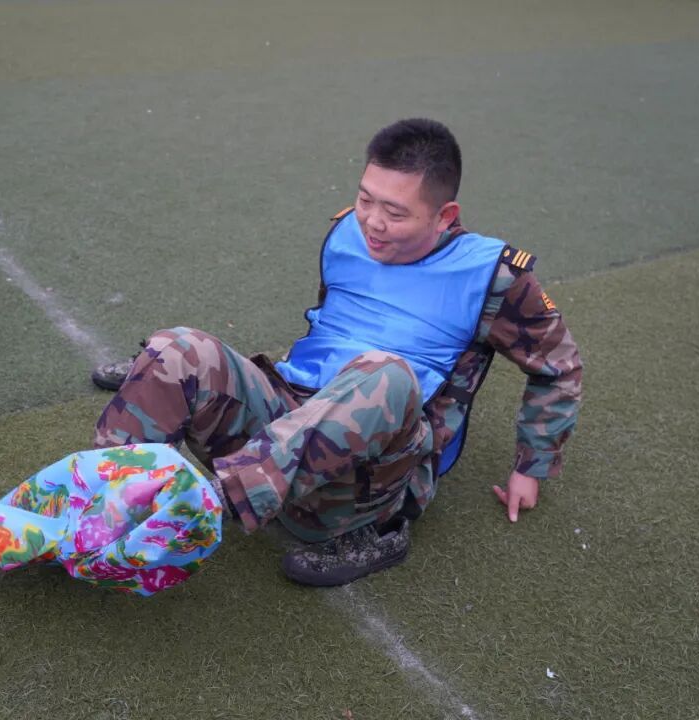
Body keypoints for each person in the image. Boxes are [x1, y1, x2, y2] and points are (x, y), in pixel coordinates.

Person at [93, 118, 583, 586]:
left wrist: (532, 466)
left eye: (395, 213)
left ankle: (203, 505)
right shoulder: (347, 231)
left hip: (366, 485)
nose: (374, 223)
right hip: (287, 425)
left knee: (384, 373)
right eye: (366, 199)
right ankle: (97, 507)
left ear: (445, 215)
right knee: (178, 347)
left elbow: (558, 367)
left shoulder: (495, 276)